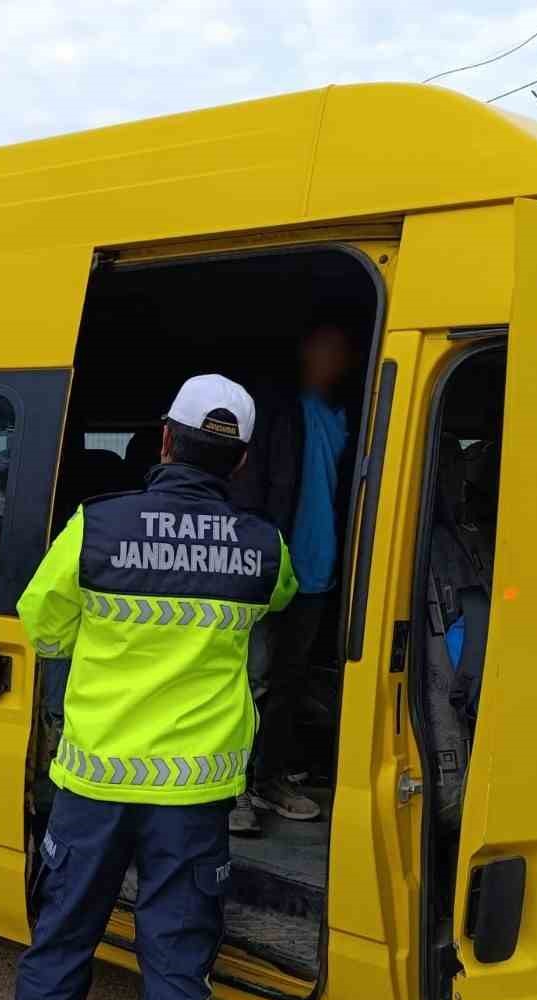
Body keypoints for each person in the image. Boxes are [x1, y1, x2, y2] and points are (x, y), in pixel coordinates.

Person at [6, 374, 297, 1000]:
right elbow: (277, 602)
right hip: (192, 800)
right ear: (238, 460)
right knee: (176, 961)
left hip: (93, 785)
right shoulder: (262, 546)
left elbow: (42, 622)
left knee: (61, 936)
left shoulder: (96, 527)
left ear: (163, 440)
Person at [228, 317, 357, 835]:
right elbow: (247, 493)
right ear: (304, 352)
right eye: (326, 348)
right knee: (250, 681)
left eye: (341, 351)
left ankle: (268, 779)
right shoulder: (273, 409)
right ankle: (231, 786)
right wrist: (252, 562)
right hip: (268, 570)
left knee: (286, 685)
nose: (336, 359)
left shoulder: (348, 415)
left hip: (317, 575)